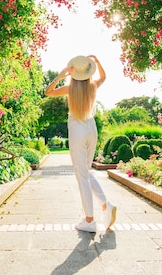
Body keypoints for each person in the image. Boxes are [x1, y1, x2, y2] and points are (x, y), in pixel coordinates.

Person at [45, 55, 117, 233]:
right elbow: (104, 77)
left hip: (77, 130)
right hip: (91, 128)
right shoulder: (93, 86)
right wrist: (99, 62)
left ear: (74, 73)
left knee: (82, 175)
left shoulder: (70, 88)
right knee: (86, 172)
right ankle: (105, 205)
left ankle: (90, 220)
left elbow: (48, 91)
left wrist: (61, 75)